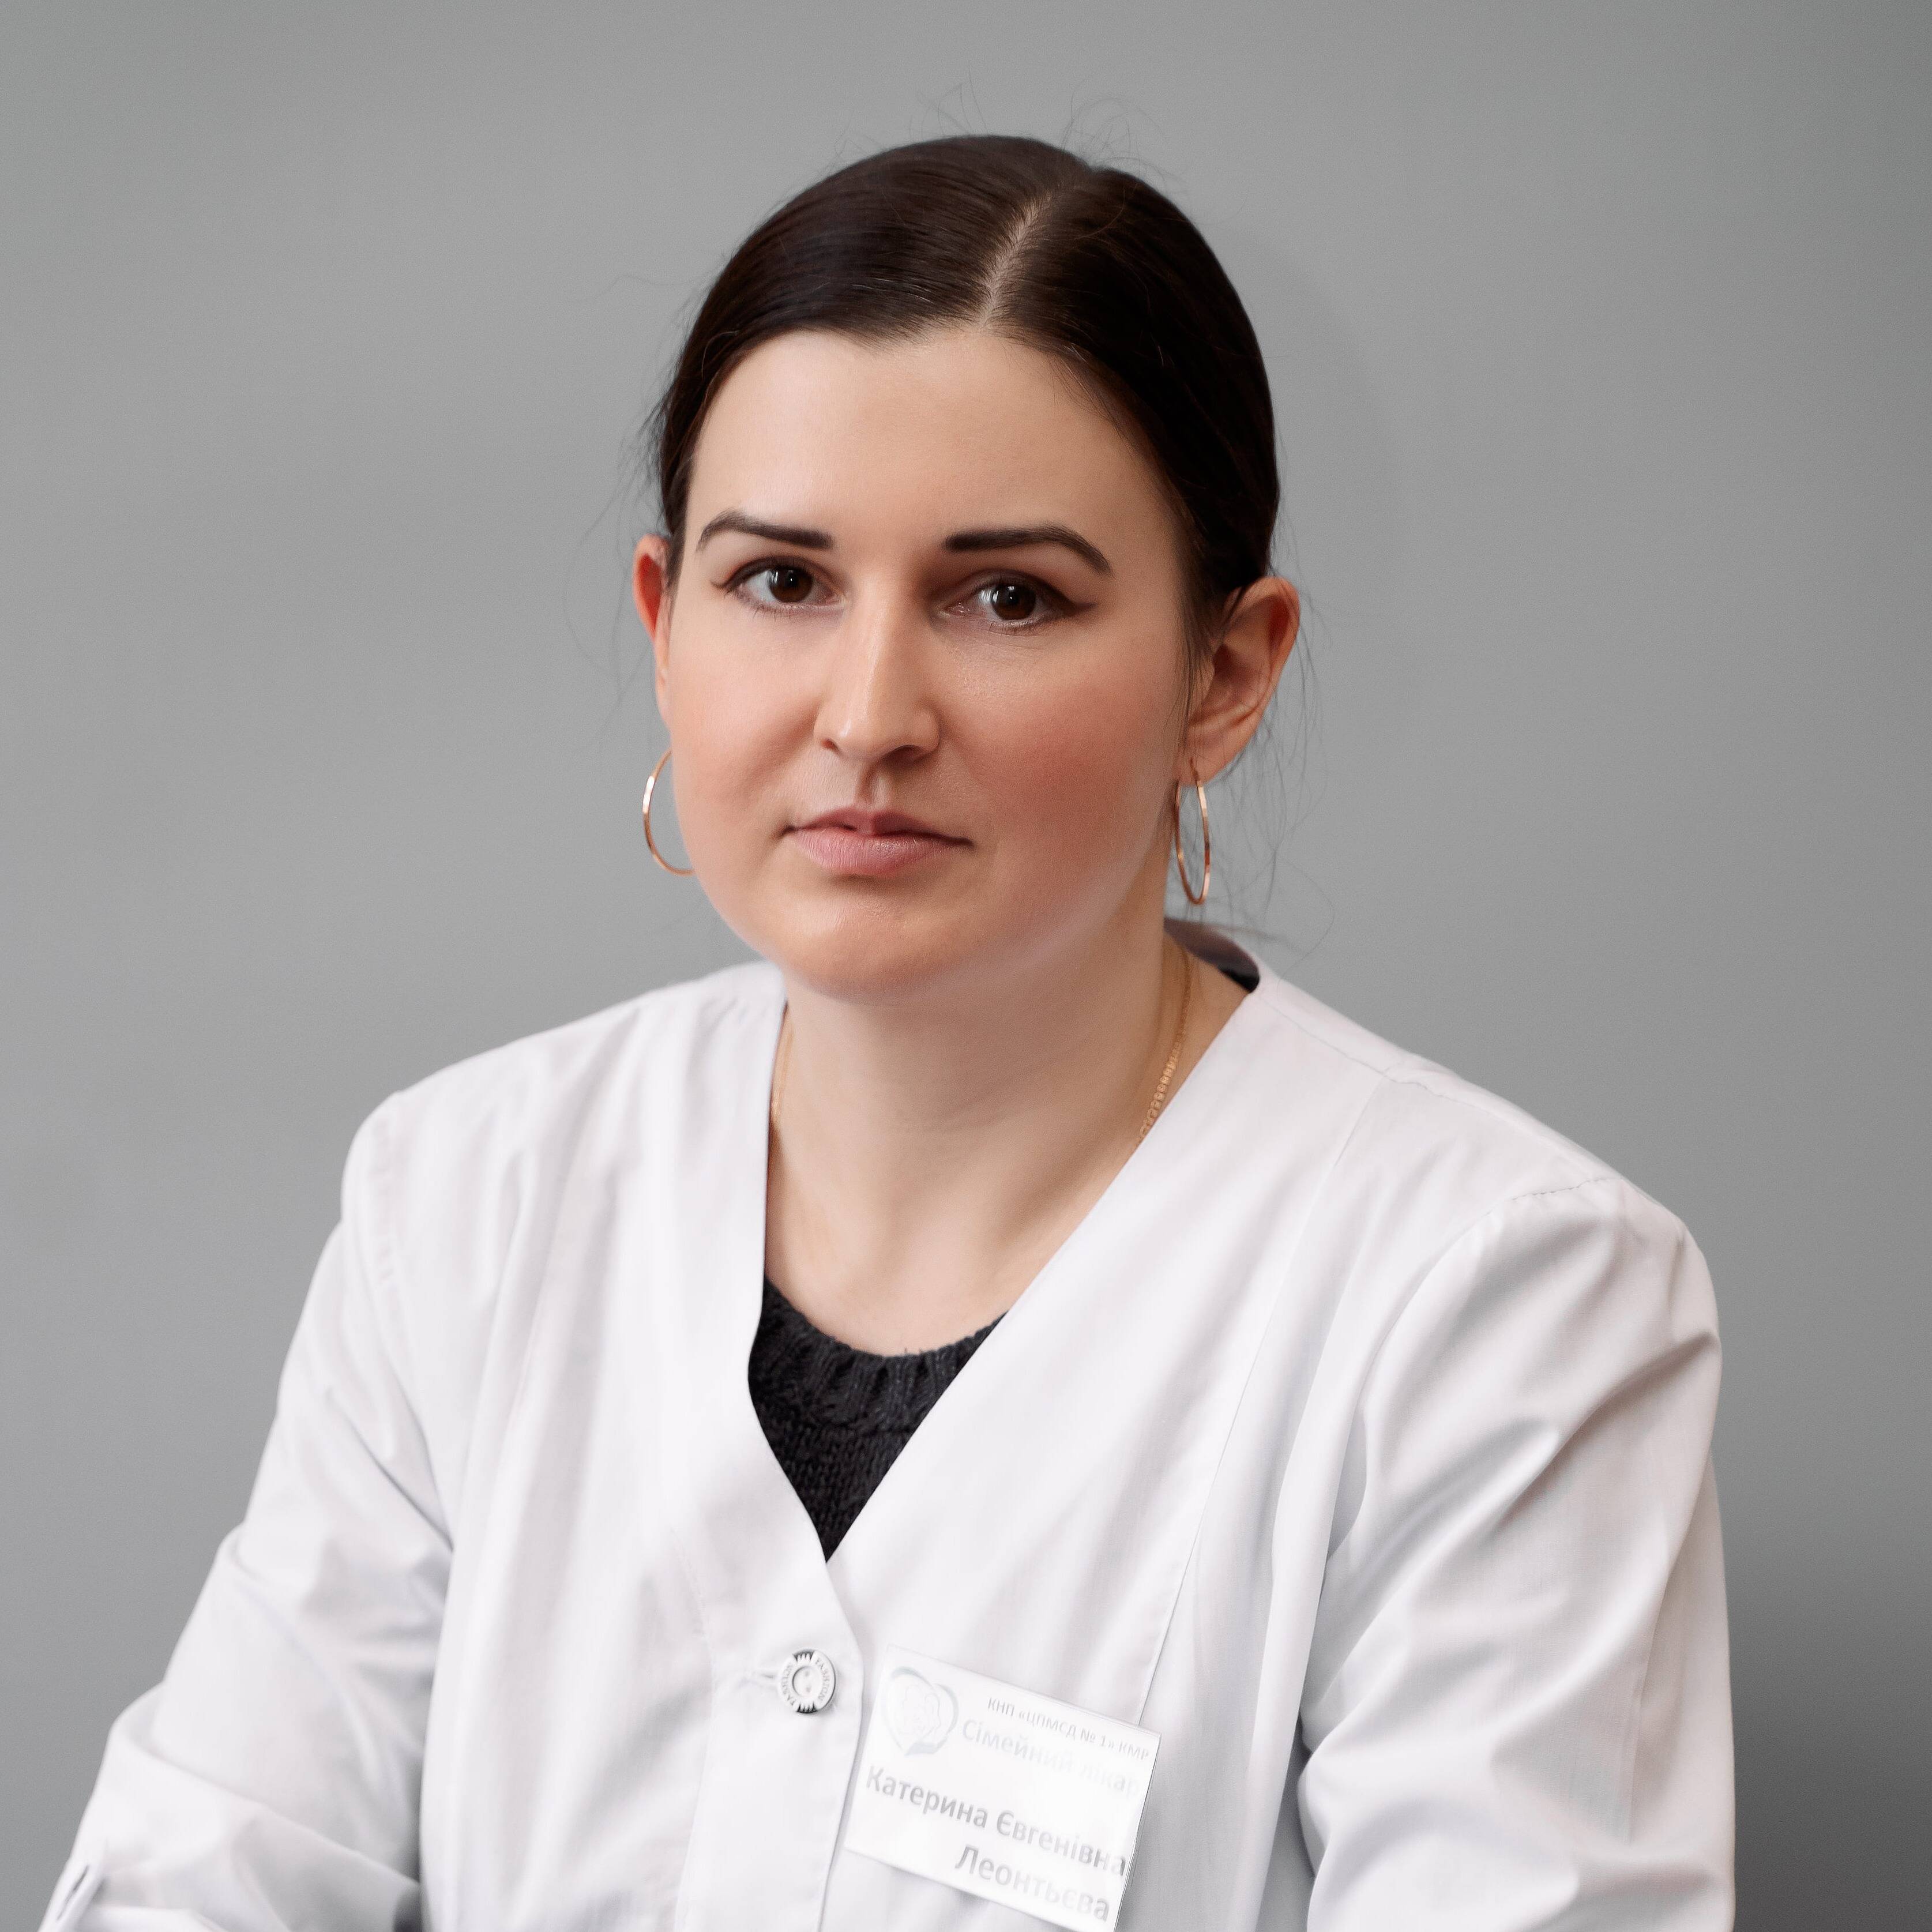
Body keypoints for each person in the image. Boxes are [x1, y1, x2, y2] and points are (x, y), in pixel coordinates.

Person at [42, 136, 1733, 1932]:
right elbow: (202, 1880)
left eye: (1008, 598)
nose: (867, 716)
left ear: (1224, 676)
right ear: (664, 626)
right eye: (782, 583)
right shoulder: (467, 1196)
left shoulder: (1498, 1302)